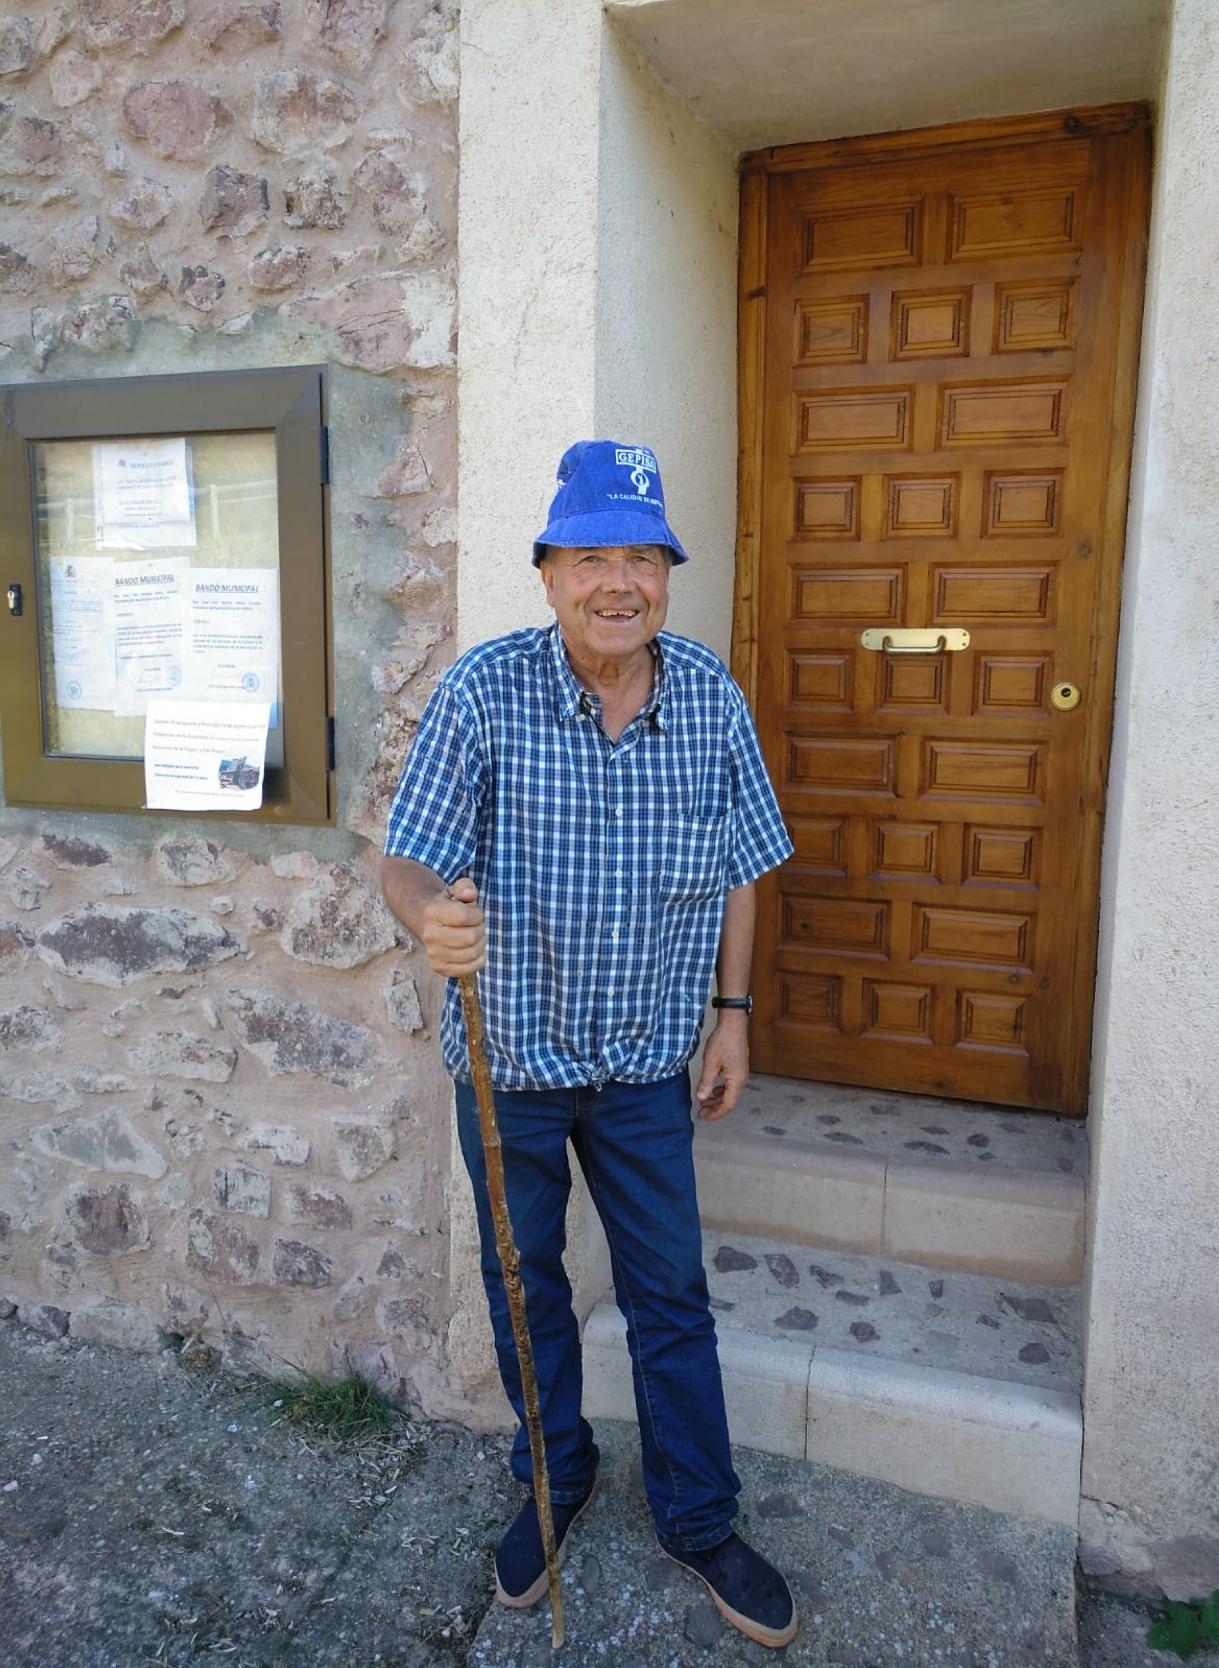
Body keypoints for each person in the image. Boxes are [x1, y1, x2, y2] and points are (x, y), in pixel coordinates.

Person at [380, 440, 798, 1649]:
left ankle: (700, 1519)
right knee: (527, 1290)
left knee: (670, 1294)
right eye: (591, 556)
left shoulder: (708, 695)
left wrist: (734, 1018)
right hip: (509, 1059)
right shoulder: (485, 690)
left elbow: (742, 872)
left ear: (666, 574)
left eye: (641, 556)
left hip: (646, 1066)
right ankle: (555, 1479)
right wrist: (428, 916)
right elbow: (402, 854)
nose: (619, 580)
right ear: (550, 572)